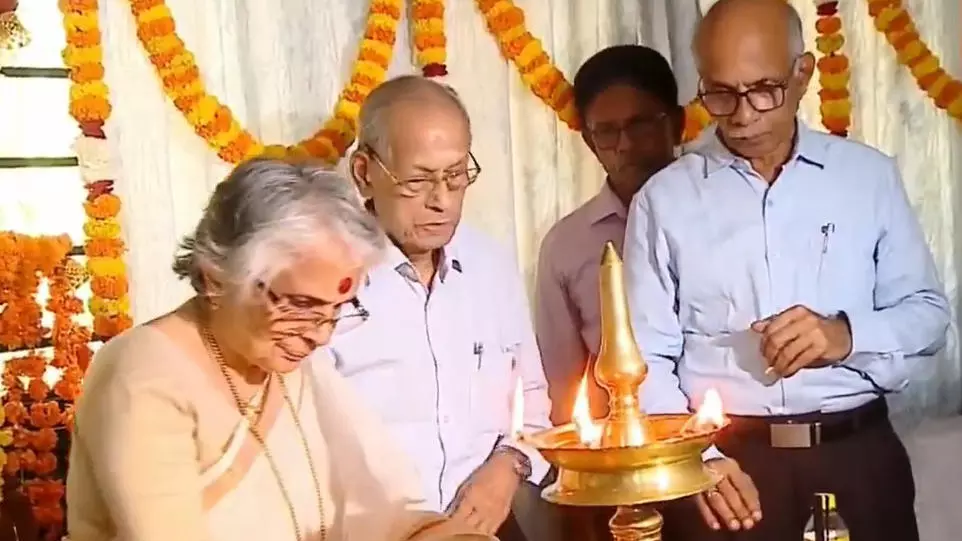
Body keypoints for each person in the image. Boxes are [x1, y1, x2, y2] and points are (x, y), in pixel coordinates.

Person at [623, 1, 950, 540]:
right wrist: (699, 459)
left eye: (763, 90)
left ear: (803, 75)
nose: (744, 115)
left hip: (856, 458)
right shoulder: (666, 200)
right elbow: (643, 359)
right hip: (728, 473)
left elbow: (929, 316)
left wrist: (844, 335)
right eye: (721, 94)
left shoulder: (866, 178)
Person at [65, 158, 494, 541]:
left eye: (338, 309)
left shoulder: (286, 362)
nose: (321, 335)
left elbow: (377, 513)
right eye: (303, 305)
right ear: (217, 276)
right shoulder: (143, 377)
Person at [316, 75, 552, 541]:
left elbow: (534, 398)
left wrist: (510, 465)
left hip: (488, 527)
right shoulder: (324, 278)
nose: (441, 201)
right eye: (418, 180)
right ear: (364, 172)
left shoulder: (490, 265)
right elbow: (303, 438)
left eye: (456, 175)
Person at [534, 45, 684, 426]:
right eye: (607, 132)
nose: (626, 146)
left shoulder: (720, 214)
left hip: (727, 443)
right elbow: (564, 384)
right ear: (588, 140)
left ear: (677, 124)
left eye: (640, 125)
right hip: (623, 455)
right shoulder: (567, 245)